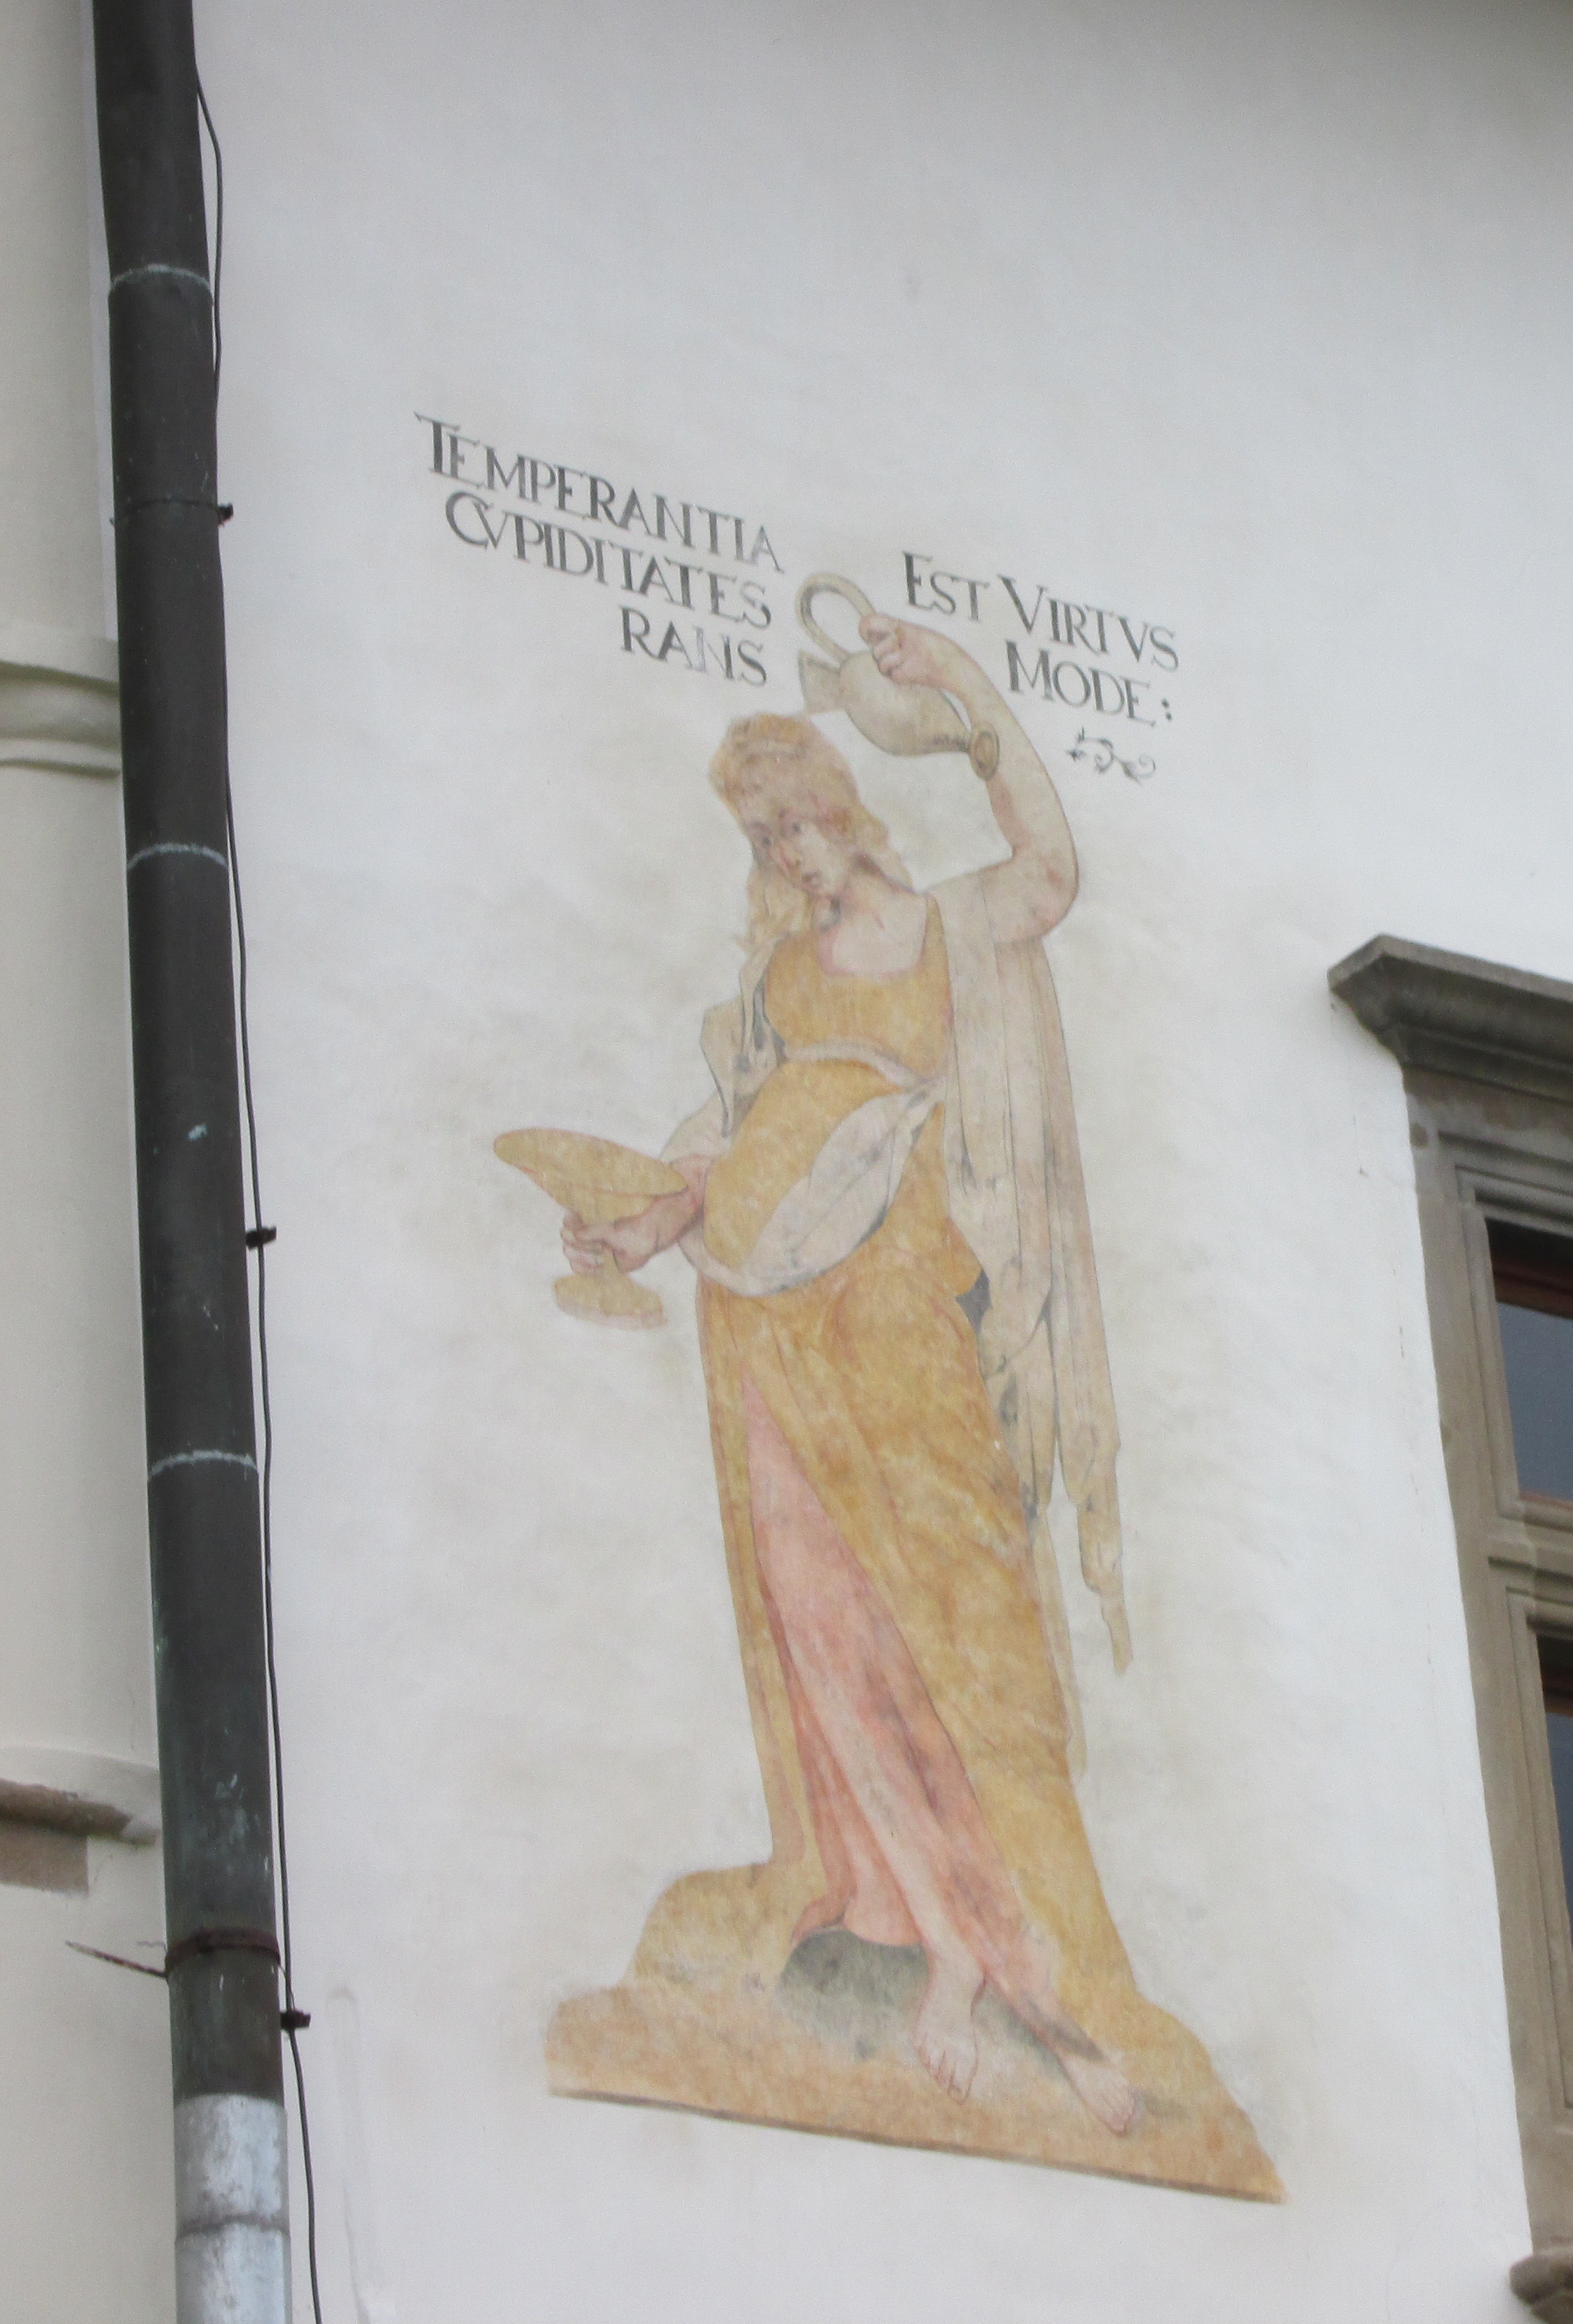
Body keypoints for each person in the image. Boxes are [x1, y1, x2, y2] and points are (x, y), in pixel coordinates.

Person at [553, 615, 1258, 2178]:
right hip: (772, 1322)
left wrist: (968, 696)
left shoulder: (954, 925)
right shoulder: (779, 978)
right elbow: (732, 1136)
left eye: (798, 821)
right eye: (763, 840)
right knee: (825, 1627)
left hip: (912, 1315)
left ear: (844, 806)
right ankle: (936, 1938)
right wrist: (644, 1223)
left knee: (965, 1624)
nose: (789, 855)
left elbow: (1054, 874)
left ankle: (1044, 1969)